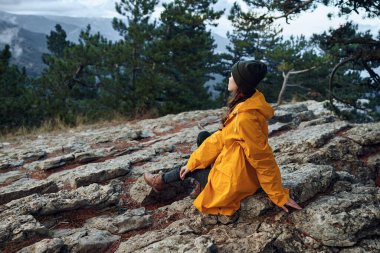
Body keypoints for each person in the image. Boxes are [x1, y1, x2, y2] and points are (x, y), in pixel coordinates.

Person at [144, 60, 302, 223]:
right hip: (237, 159)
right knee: (204, 138)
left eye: (232, 75)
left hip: (238, 176)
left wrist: (278, 195)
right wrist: (193, 161)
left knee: (194, 168)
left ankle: (161, 181)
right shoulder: (248, 102)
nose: (229, 78)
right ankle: (189, 179)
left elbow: (262, 158)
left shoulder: (245, 117)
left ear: (240, 83)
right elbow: (221, 137)